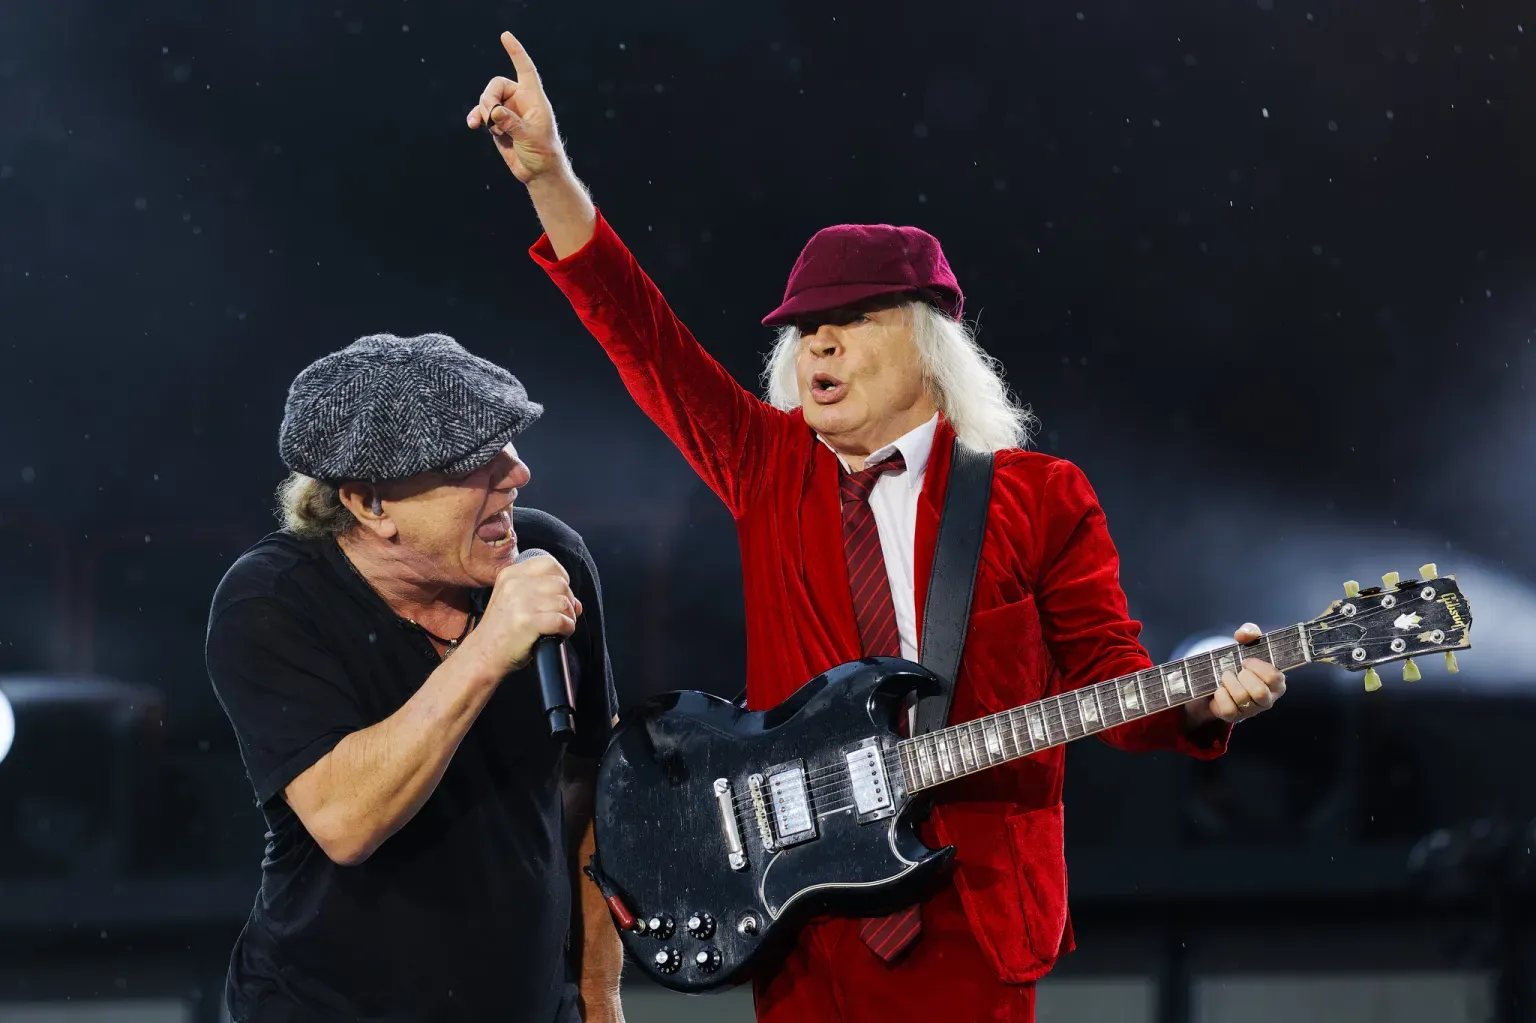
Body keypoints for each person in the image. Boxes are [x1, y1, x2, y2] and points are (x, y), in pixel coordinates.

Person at [467, 32, 1287, 1023]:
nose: (818, 339)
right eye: (805, 326)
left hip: (971, 913)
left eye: (853, 318)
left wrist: (1203, 703)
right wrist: (550, 175)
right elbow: (640, 333)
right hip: (803, 918)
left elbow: (1109, 673)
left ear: (931, 342)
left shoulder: (1039, 496)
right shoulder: (767, 464)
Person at [204, 331, 624, 1023]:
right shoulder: (273, 600)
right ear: (370, 504)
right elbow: (346, 820)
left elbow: (597, 788)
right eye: (474, 461)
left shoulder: (551, 558)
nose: (517, 473)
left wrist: (599, 996)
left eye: (508, 444)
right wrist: (489, 648)